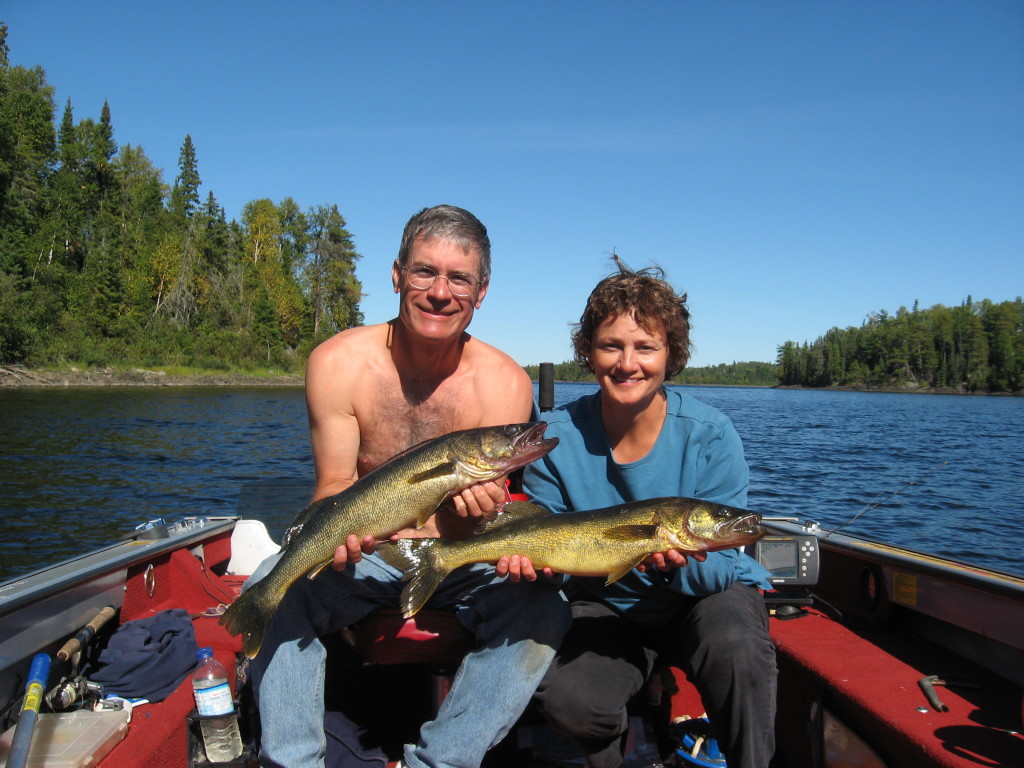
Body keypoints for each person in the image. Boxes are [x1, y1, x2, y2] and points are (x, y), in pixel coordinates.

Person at [245, 204, 570, 768]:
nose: (440, 292)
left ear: (481, 292)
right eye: (425, 272)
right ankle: (293, 761)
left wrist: (480, 511)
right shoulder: (338, 363)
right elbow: (336, 486)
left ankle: (440, 761)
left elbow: (489, 513)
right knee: (273, 586)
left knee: (544, 607)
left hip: (460, 555)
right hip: (368, 555)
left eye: (459, 278)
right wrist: (340, 537)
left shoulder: (503, 382)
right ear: (397, 274)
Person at [520, 259, 777, 768]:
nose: (627, 363)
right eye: (611, 345)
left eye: (646, 347)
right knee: (572, 701)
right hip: (605, 600)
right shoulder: (551, 437)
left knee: (740, 653)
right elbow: (543, 537)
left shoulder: (710, 434)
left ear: (670, 355)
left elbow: (726, 560)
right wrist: (539, 571)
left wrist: (676, 571)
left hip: (702, 598)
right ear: (588, 353)